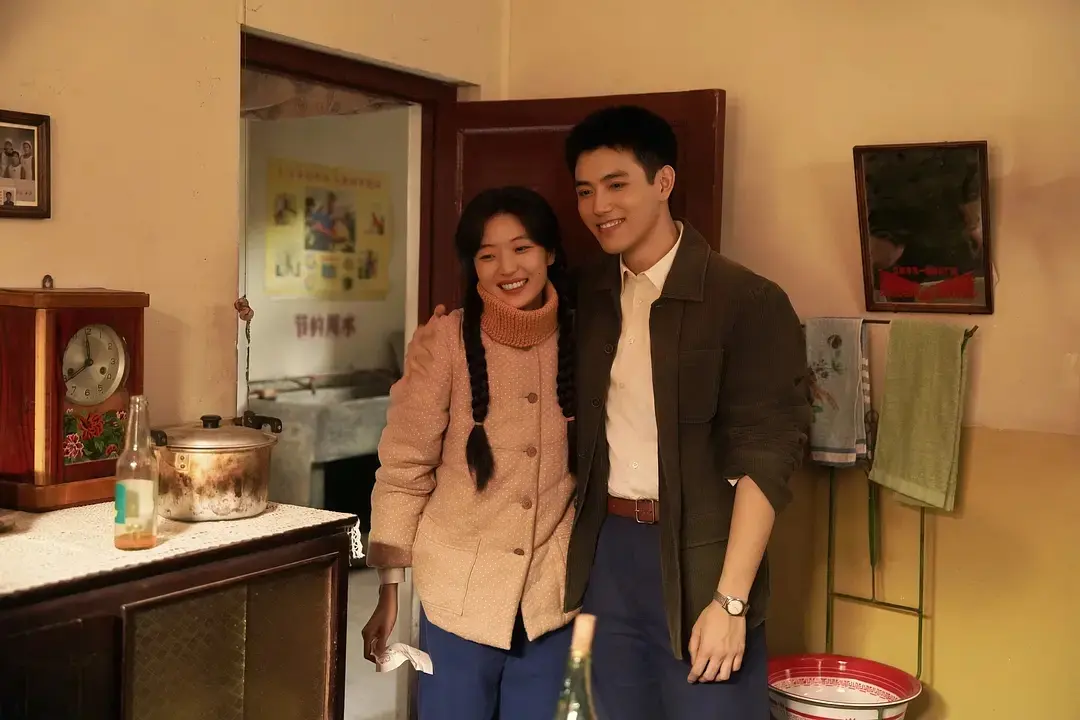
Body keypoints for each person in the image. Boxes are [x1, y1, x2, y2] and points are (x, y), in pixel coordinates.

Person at [404, 106, 811, 719]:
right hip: (601, 555)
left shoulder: (746, 299)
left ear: (663, 182)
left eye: (616, 184)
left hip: (703, 556)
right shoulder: (584, 297)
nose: (599, 207)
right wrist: (438, 338)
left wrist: (731, 601)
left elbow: (767, 456)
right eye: (585, 191)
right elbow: (505, 332)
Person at [362, 186, 579, 720]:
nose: (508, 267)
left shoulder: (585, 335)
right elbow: (404, 468)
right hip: (458, 597)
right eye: (488, 255)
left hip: (552, 600)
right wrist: (390, 588)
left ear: (550, 252)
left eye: (522, 248)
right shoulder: (445, 342)